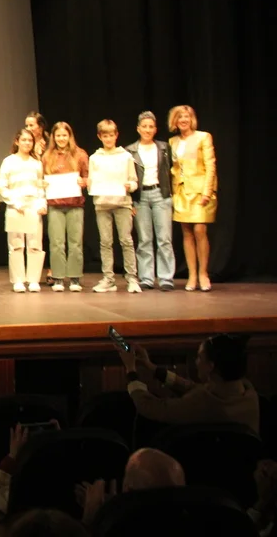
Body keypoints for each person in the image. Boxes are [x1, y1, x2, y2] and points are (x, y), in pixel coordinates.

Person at [119, 333, 259, 434]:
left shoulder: (202, 404)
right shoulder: (248, 393)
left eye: (199, 357)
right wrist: (152, 367)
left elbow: (149, 407)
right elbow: (193, 388)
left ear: (210, 366)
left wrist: (131, 369)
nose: (196, 362)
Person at [168, 105, 217, 291]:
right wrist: (173, 192)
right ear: (175, 121)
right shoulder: (173, 141)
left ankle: (203, 273)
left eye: (186, 116)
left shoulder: (203, 137)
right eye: (180, 117)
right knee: (187, 232)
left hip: (200, 190)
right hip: (181, 192)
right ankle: (192, 275)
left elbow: (210, 166)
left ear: (192, 119)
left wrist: (207, 192)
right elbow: (173, 169)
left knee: (199, 230)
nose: (183, 120)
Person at [124, 112, 175, 291]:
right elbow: (127, 176)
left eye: (151, 127)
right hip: (141, 196)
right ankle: (146, 277)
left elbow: (171, 170)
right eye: (144, 126)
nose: (147, 130)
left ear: (155, 129)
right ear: (138, 129)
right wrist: (130, 202)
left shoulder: (163, 148)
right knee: (144, 239)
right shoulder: (130, 150)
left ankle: (166, 278)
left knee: (164, 239)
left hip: (160, 194)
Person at [89, 120, 140, 293]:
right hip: (102, 204)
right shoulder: (94, 158)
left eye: (111, 135)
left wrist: (130, 186)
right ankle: (108, 279)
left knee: (126, 240)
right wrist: (89, 185)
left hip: (122, 203)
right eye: (105, 136)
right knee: (105, 242)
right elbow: (91, 182)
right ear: (99, 137)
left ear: (116, 135)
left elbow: (134, 181)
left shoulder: (125, 156)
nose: (108, 139)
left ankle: (132, 278)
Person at [42, 122, 89, 292]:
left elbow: (87, 177)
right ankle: (58, 278)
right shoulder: (47, 156)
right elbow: (42, 178)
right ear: (53, 137)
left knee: (75, 242)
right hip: (55, 205)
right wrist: (43, 184)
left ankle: (75, 278)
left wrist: (84, 182)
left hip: (75, 204)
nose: (61, 139)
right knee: (56, 242)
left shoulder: (80, 154)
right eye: (58, 136)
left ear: (70, 136)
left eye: (64, 135)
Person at [0, 129, 46, 293]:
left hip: (33, 205)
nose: (27, 143)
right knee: (16, 245)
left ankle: (33, 280)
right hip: (15, 206)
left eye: (30, 140)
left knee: (35, 244)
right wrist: (14, 202)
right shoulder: (8, 162)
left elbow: (40, 186)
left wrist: (42, 203)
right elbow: (2, 186)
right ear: (17, 141)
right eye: (24, 140)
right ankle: (18, 280)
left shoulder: (36, 163)